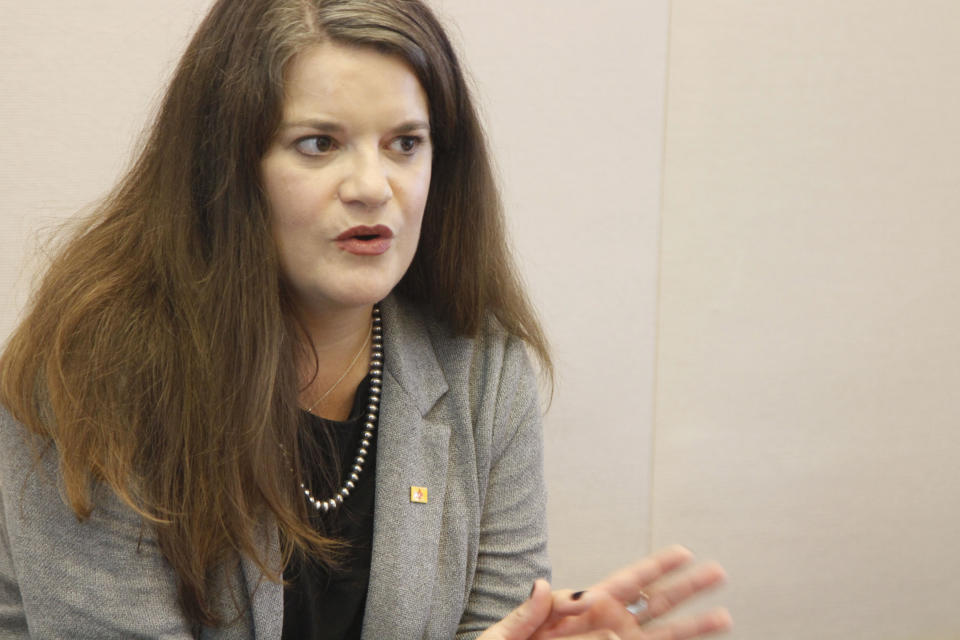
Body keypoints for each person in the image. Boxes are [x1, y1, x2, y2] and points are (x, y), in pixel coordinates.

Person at [0, 0, 731, 638]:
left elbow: (496, 620)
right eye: (318, 144)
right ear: (225, 169)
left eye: (404, 144)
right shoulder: (89, 373)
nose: (373, 187)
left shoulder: (481, 367)